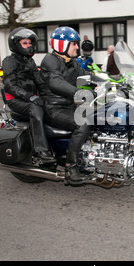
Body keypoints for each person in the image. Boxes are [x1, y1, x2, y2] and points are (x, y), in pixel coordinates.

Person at [38, 26, 93, 186]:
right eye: (74, 43)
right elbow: (56, 82)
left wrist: (113, 81)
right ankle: (71, 167)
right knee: (83, 123)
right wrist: (78, 93)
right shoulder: (50, 61)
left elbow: (87, 76)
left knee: (100, 115)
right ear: (61, 44)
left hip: (69, 105)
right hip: (54, 108)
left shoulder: (72, 63)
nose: (78, 46)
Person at [2, 27, 55, 164]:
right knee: (35, 109)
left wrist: (53, 93)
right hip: (16, 100)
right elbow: (10, 85)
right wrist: (29, 97)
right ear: (16, 44)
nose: (28, 46)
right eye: (24, 43)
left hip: (30, 98)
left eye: (29, 43)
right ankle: (41, 149)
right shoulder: (9, 61)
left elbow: (39, 81)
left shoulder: (29, 62)